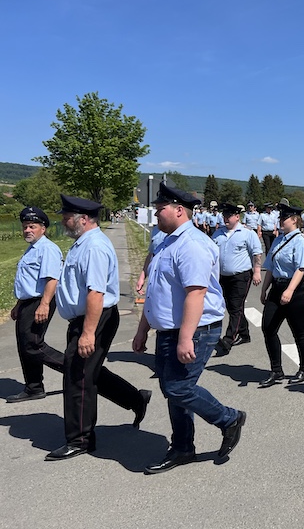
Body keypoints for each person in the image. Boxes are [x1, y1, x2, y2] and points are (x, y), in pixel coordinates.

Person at [133, 184, 246, 474]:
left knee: (178, 387)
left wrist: (185, 338)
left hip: (196, 329)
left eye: (160, 209)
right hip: (169, 330)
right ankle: (183, 447)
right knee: (172, 389)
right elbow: (156, 291)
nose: (156, 214)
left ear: (179, 210)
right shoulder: (165, 242)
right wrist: (143, 328)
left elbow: (196, 293)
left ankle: (229, 419)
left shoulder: (192, 244)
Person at [47, 195, 150, 461]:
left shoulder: (93, 247)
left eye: (66, 217)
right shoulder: (83, 243)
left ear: (83, 219)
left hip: (94, 319)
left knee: (78, 377)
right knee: (87, 371)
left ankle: (80, 439)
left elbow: (96, 293)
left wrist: (88, 332)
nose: (63, 221)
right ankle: (135, 399)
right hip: (85, 319)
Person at [8, 206, 64, 403]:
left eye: (32, 226)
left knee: (33, 345)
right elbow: (28, 282)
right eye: (25, 226)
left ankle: (76, 370)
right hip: (28, 302)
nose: (27, 230)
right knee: (25, 346)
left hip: (40, 301)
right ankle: (33, 387)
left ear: (43, 228)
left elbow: (52, 279)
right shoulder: (32, 249)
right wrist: (18, 305)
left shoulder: (47, 249)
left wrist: (44, 304)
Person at [258, 203, 304, 388]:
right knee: (268, 327)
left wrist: (290, 290)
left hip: (299, 289)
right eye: (280, 218)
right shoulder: (278, 240)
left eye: (284, 218)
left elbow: (302, 268)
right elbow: (271, 266)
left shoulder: (302, 241)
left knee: (299, 331)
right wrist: (264, 289)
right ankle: (276, 370)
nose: (281, 221)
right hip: (278, 286)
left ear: (294, 220)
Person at [212, 203, 263, 356]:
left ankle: (228, 339)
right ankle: (244, 333)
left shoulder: (247, 233)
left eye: (229, 216)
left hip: (241, 276)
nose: (225, 218)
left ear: (237, 217)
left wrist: (257, 272)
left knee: (235, 307)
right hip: (222, 276)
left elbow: (257, 253)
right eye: (224, 216)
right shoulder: (218, 233)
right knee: (232, 306)